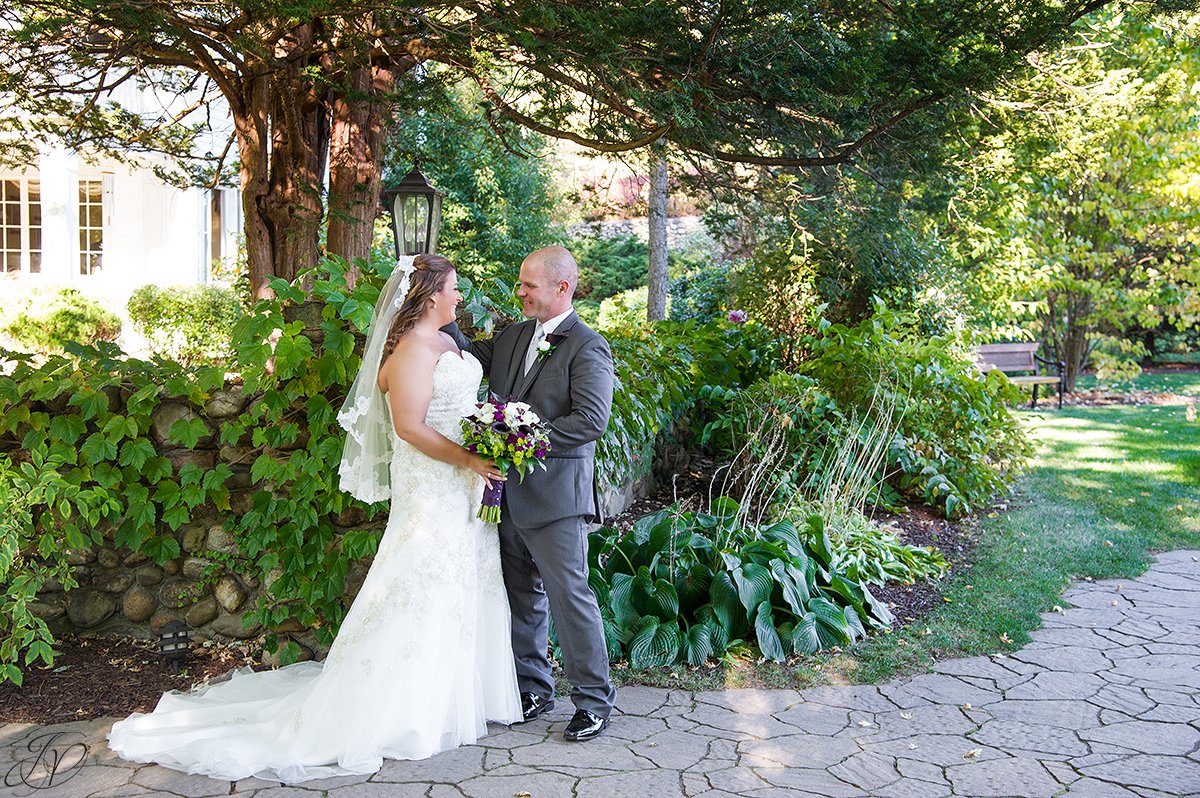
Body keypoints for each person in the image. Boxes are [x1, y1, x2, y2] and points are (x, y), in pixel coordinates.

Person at [107, 254, 522, 783]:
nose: (460, 297)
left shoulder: (447, 342)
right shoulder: (413, 350)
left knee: (462, 581)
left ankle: (453, 700)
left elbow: (458, 408)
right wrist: (469, 458)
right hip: (433, 485)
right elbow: (412, 429)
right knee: (419, 581)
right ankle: (400, 709)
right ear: (429, 294)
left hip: (463, 484)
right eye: (454, 288)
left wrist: (489, 438)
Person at [444, 245, 616, 742]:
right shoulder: (513, 335)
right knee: (521, 596)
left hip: (557, 498)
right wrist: (437, 307)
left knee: (570, 597)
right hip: (504, 497)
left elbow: (590, 420)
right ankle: (534, 688)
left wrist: (521, 441)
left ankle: (593, 701)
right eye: (521, 284)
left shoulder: (588, 346)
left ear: (563, 288)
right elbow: (465, 360)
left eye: (528, 285)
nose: (519, 293)